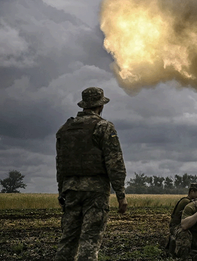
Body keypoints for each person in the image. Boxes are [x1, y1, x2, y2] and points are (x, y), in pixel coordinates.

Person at [55, 87, 127, 261]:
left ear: (84, 105)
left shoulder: (64, 129)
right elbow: (114, 162)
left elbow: (60, 165)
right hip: (95, 192)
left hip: (70, 189)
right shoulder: (104, 127)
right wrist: (121, 195)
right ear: (100, 106)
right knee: (90, 241)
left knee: (67, 240)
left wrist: (61, 191)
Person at [167, 183, 197, 254]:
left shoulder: (189, 201)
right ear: (192, 191)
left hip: (181, 224)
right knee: (185, 233)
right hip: (176, 226)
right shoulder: (186, 202)